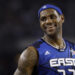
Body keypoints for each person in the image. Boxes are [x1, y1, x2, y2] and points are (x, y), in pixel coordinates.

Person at [14, 4, 75, 75]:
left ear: (62, 18)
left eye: (52, 17)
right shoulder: (31, 53)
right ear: (40, 23)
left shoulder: (73, 48)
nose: (48, 21)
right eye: (43, 19)